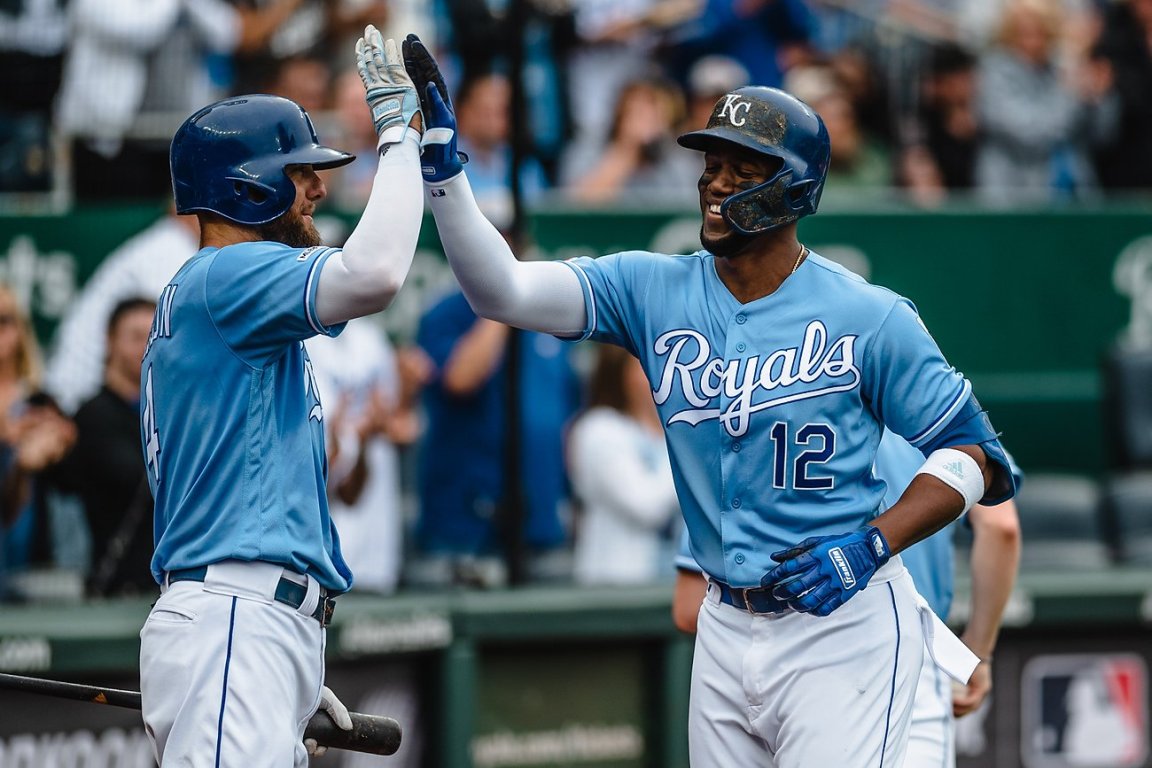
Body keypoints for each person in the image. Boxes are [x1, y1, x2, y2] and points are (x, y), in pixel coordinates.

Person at [402, 34, 1016, 766]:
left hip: (843, 624)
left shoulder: (872, 315)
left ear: (794, 188)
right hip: (726, 620)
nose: (716, 184)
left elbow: (977, 454)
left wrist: (874, 542)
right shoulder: (653, 287)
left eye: (742, 169)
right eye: (711, 164)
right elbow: (500, 290)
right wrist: (445, 177)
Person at [137, 27, 425, 766]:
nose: (318, 187)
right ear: (247, 182)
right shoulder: (225, 277)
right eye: (300, 171)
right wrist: (400, 135)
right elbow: (378, 273)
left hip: (249, 619)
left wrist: (291, 647)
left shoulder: (220, 297)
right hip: (236, 614)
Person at [670, 431, 1023, 767]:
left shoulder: (759, 423)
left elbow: (689, 607)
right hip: (901, 654)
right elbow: (1000, 526)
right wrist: (978, 651)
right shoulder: (931, 414)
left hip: (767, 657)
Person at [412, 285, 581, 588]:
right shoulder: (447, 312)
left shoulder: (547, 318)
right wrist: (502, 304)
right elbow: (461, 379)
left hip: (541, 525)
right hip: (465, 528)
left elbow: (569, 419)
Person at [45, 205, 199, 415]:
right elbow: (178, 342)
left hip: (93, 393)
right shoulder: (168, 248)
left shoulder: (165, 243)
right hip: (80, 396)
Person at [60, 298, 159, 598]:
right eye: (135, 336)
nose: (145, 346)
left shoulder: (166, 413)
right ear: (110, 341)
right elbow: (138, 477)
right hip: (117, 588)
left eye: (152, 335)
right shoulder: (93, 415)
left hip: (164, 585)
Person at [568, 343, 679, 585]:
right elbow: (647, 506)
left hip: (673, 585)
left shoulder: (671, 431)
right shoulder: (598, 429)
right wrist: (691, 452)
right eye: (646, 366)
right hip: (614, 585)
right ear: (619, 373)